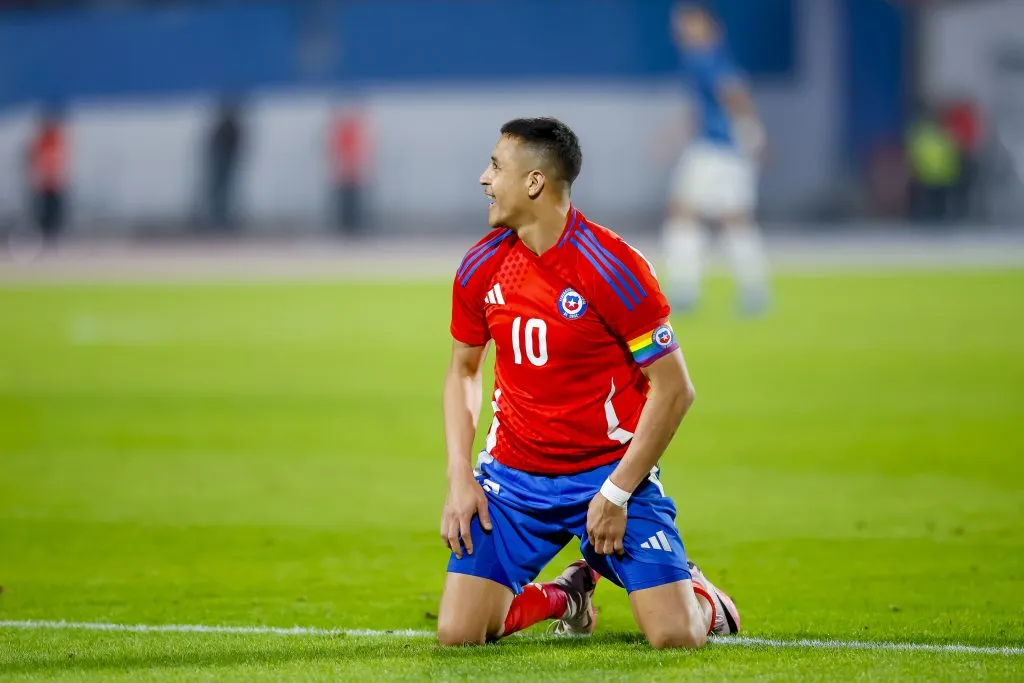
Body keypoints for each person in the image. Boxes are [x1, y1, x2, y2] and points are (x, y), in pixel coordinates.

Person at [438, 117, 740, 649]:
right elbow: (463, 370)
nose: (484, 179)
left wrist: (617, 492)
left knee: (675, 636)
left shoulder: (612, 267)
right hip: (512, 479)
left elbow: (674, 389)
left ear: (534, 182)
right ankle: (568, 594)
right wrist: (460, 478)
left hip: (605, 474)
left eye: (495, 166)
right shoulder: (481, 266)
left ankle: (702, 597)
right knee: (459, 633)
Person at [659, 2, 770, 315]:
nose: (680, 31)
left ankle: (683, 290)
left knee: (683, 212)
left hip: (715, 149)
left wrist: (753, 132)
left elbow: (733, 92)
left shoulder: (705, 58)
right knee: (734, 219)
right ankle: (754, 292)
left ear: (706, 26)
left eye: (687, 24)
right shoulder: (709, 58)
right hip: (728, 150)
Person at [25, 110, 69, 245]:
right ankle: (43, 236)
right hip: (44, 182)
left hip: (55, 182)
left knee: (56, 211)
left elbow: (62, 161)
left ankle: (55, 235)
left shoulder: (57, 140)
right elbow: (34, 160)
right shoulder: (41, 141)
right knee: (43, 212)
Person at [205, 98, 244, 232]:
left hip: (224, 165)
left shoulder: (226, 126)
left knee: (221, 193)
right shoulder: (228, 126)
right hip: (223, 165)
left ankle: (219, 220)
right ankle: (218, 220)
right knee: (220, 193)